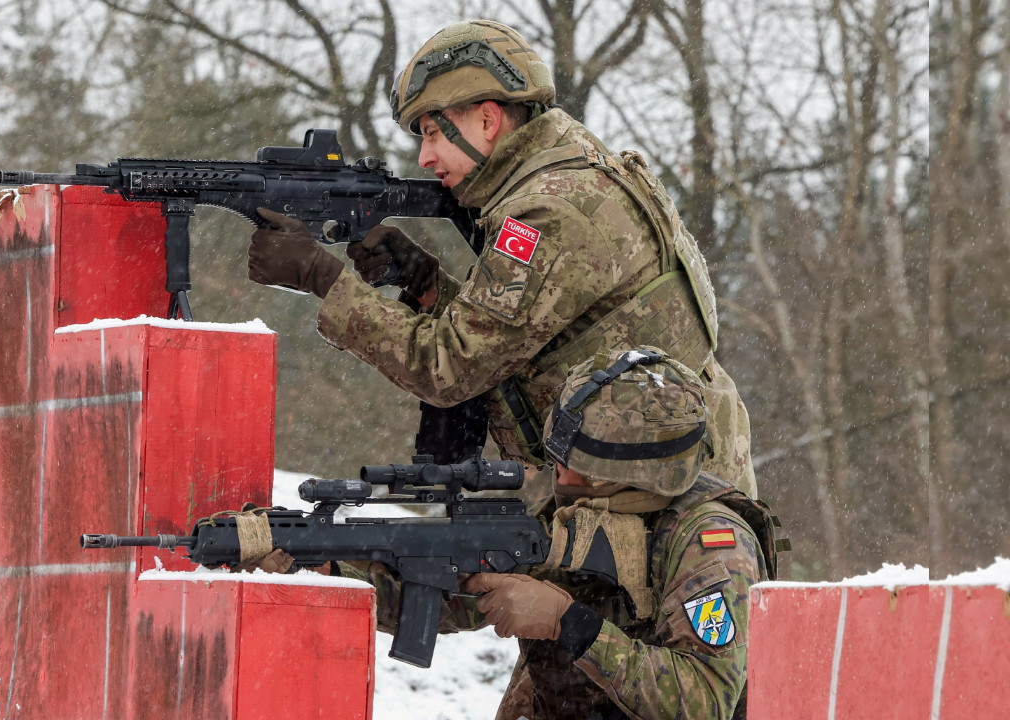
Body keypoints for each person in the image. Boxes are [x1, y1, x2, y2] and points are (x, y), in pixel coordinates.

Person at [246, 19, 756, 498]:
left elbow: (448, 366)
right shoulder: (573, 174)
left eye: (431, 132)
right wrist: (429, 286)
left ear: (487, 120)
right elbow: (534, 335)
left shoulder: (548, 210)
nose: (424, 158)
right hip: (658, 482)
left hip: (659, 504)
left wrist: (322, 275)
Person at [349, 348, 776, 720]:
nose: (554, 463)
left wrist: (567, 621)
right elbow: (455, 603)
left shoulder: (713, 543)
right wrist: (332, 571)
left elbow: (703, 701)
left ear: (623, 470)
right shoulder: (580, 509)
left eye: (571, 455)